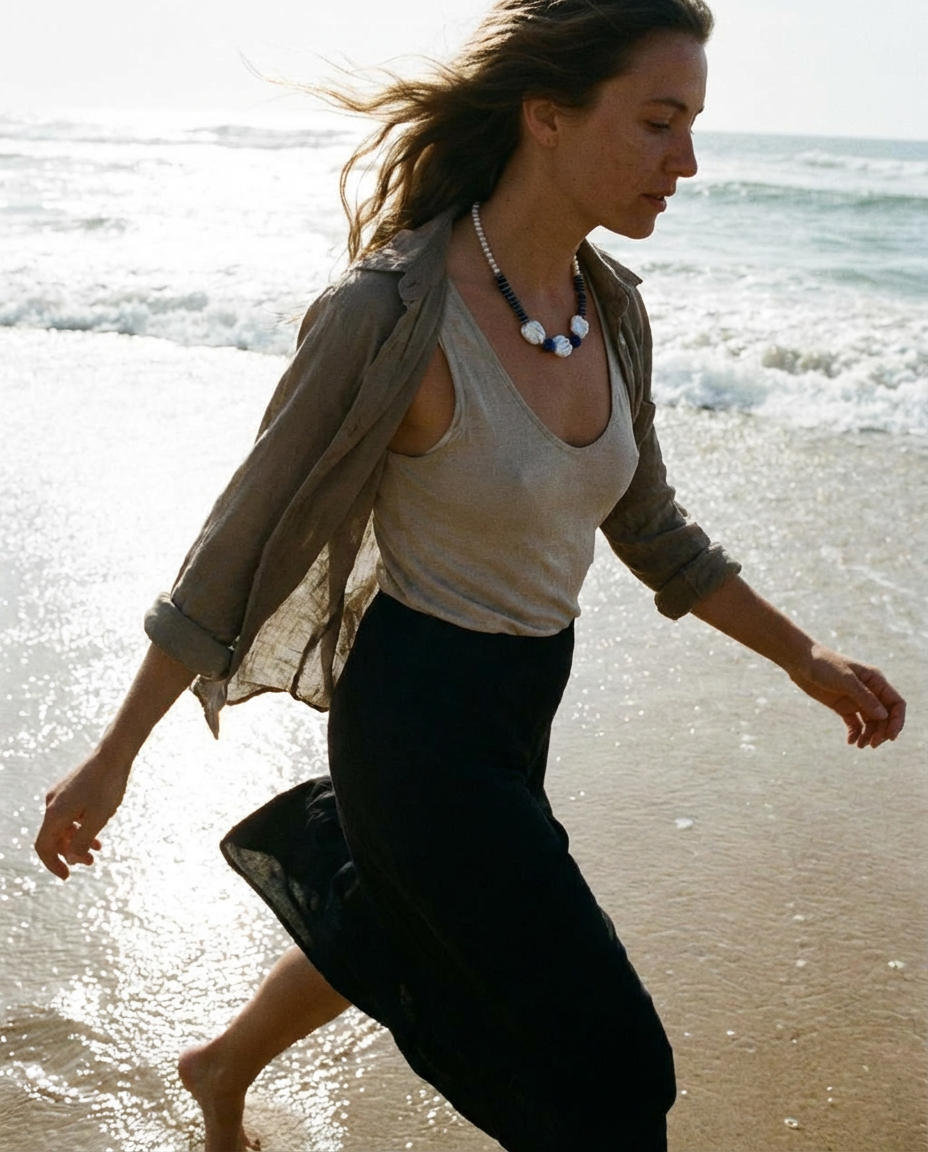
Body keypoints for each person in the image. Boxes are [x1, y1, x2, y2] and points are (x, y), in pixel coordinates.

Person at [34, 1, 906, 1150]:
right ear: (547, 116)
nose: (686, 162)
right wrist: (113, 757)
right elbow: (238, 544)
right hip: (415, 722)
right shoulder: (390, 317)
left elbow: (652, 528)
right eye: (657, 123)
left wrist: (803, 655)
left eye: (692, 126)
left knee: (398, 919)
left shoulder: (609, 311)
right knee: (615, 1073)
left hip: (519, 711)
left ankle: (222, 1064)